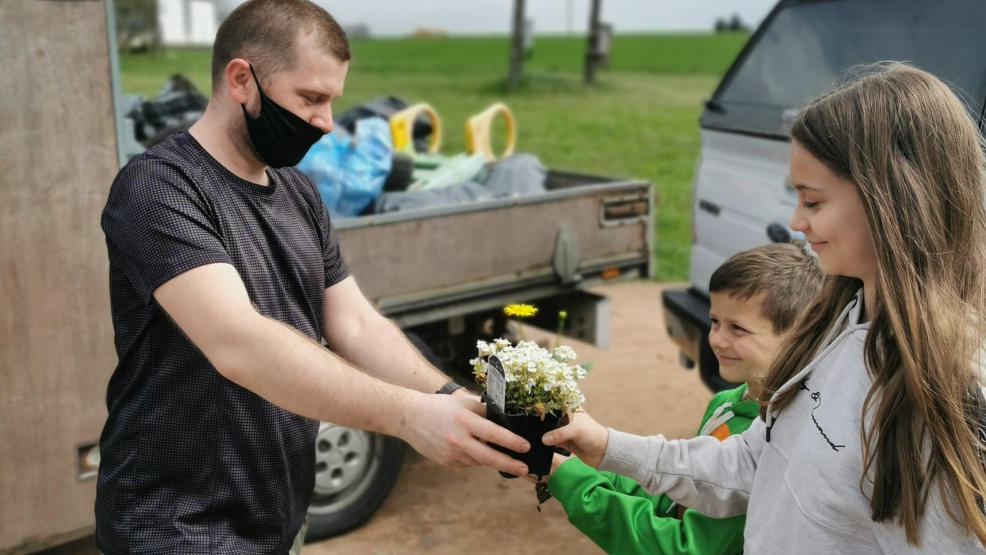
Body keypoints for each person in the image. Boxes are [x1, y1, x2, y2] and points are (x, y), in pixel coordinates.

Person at [96, 1, 529, 552]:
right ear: (241, 80)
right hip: (176, 524)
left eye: (331, 101)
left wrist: (451, 398)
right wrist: (410, 416)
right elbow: (238, 342)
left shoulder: (296, 190)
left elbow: (353, 323)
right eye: (311, 98)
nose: (326, 121)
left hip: (279, 517)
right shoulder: (161, 189)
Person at [543, 62, 986, 553]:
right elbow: (755, 463)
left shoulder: (943, 389)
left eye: (813, 202)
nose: (796, 221)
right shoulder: (838, 321)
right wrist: (606, 446)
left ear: (895, 201)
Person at [543, 242, 822, 554]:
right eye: (715, 321)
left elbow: (685, 548)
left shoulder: (773, 438)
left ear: (795, 336)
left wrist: (573, 483)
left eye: (738, 329)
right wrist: (581, 461)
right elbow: (676, 497)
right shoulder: (726, 402)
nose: (717, 339)